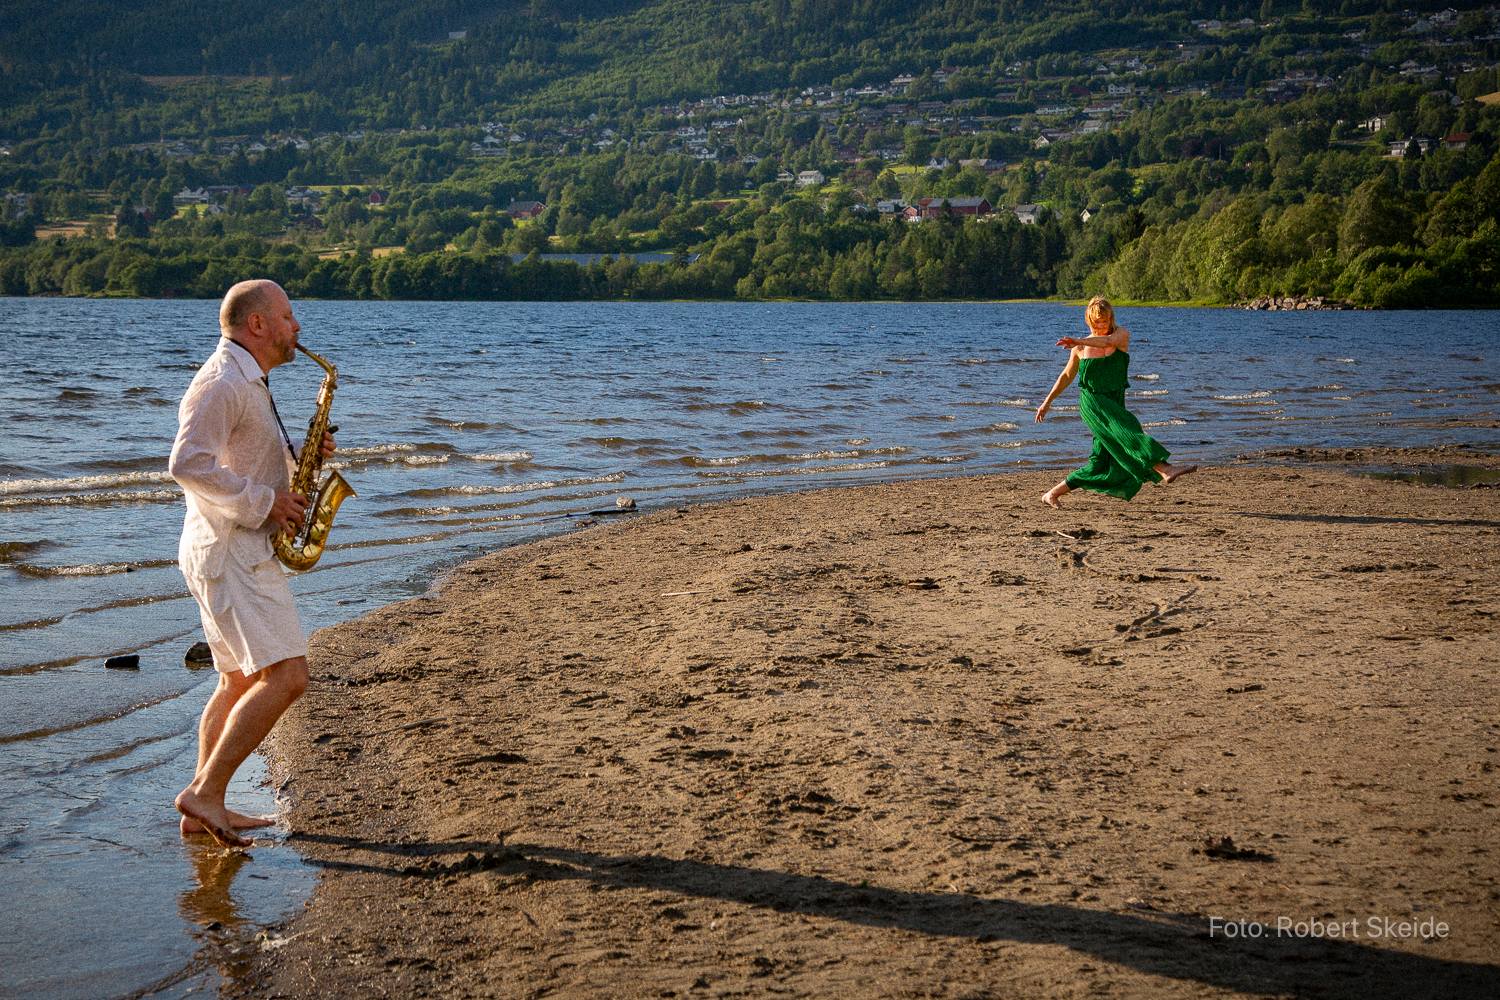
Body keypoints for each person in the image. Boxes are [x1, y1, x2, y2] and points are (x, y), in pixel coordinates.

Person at [168, 279, 335, 848]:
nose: (297, 328)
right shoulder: (221, 381)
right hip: (231, 549)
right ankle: (206, 794)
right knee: (288, 677)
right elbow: (187, 463)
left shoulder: (247, 378)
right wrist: (268, 502)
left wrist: (298, 459)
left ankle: (200, 805)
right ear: (257, 324)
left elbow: (236, 457)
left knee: (237, 680)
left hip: (221, 548)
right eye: (288, 316)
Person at [1034, 296, 1195, 508]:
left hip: (1115, 400)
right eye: (1096, 322)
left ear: (1111, 319)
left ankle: (1051, 494)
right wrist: (1047, 402)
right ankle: (1165, 469)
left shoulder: (1121, 335)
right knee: (1128, 431)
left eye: (1105, 321)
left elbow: (1108, 342)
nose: (1101, 326)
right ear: (1089, 321)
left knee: (1099, 462)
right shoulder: (1079, 349)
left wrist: (1080, 340)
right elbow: (1066, 377)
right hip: (1093, 402)